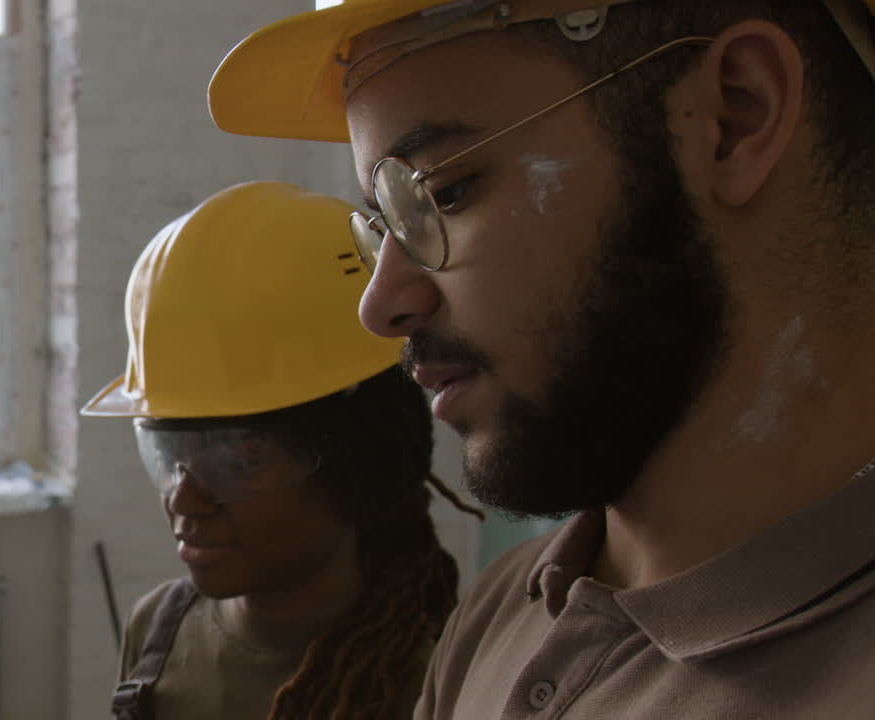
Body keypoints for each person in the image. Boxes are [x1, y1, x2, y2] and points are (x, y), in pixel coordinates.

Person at [208, 1, 875, 718]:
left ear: (735, 118)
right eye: (381, 225)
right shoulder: (504, 612)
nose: (381, 306)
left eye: (441, 192)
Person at [82, 181, 480, 720]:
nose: (184, 501)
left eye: (237, 461)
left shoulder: (439, 676)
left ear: (358, 462)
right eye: (169, 455)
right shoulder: (158, 631)